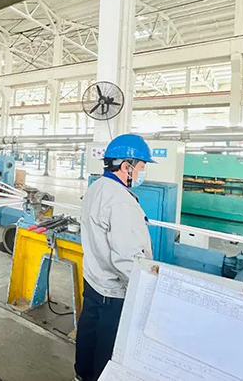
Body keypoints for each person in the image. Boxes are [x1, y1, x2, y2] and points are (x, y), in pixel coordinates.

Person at [74, 134, 155, 381]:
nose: (142, 173)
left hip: (93, 278)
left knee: (88, 332)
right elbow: (126, 258)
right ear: (126, 166)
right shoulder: (121, 201)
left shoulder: (96, 187)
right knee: (108, 346)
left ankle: (81, 375)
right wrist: (142, 291)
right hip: (113, 290)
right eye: (141, 167)